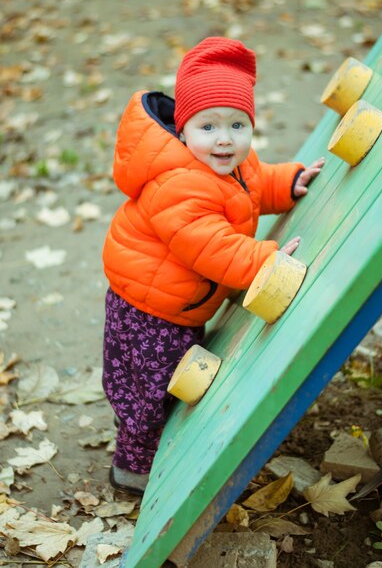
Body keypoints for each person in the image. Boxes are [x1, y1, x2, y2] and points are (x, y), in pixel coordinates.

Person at [102, 36, 324, 495]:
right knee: (154, 393)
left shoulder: (231, 163)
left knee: (179, 383)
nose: (225, 138)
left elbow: (256, 186)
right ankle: (133, 469)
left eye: (237, 124)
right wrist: (267, 258)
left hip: (180, 302)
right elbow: (211, 247)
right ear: (183, 131)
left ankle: (162, 453)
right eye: (208, 126)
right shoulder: (178, 185)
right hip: (149, 312)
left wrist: (291, 181)